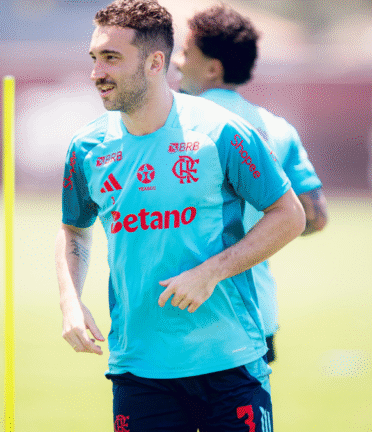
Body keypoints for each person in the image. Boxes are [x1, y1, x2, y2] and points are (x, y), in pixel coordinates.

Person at [56, 0, 306, 430]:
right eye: (94, 58)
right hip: (138, 368)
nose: (97, 72)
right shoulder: (86, 149)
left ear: (155, 62)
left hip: (230, 362)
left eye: (111, 58)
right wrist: (70, 302)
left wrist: (210, 272)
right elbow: (73, 231)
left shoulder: (222, 132)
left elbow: (290, 215)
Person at [172, 4, 329, 364]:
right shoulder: (278, 129)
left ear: (213, 68)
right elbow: (315, 217)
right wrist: (259, 229)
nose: (177, 61)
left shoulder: (172, 127)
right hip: (254, 312)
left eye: (185, 52)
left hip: (181, 310)